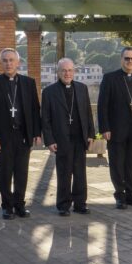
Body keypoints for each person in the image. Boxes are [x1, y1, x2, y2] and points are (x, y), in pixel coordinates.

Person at [0, 48, 41, 220]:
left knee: (22, 172)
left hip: (23, 135)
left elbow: (34, 109)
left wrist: (36, 132)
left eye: (11, 60)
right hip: (3, 137)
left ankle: (20, 205)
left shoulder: (28, 83)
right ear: (2, 63)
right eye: (5, 60)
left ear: (18, 63)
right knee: (5, 172)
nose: (8, 63)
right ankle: (7, 207)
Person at [97, 46, 132, 209]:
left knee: (131, 163)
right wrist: (104, 127)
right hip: (115, 129)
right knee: (117, 163)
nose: (130, 61)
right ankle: (120, 195)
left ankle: (131, 194)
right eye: (127, 58)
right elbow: (102, 106)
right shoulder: (110, 78)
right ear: (121, 59)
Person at [42, 58, 95, 216]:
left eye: (70, 70)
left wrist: (91, 134)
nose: (67, 73)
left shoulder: (82, 88)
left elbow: (88, 113)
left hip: (80, 138)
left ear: (74, 72)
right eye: (64, 70)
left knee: (80, 173)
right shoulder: (49, 92)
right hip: (61, 139)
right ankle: (63, 205)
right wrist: (50, 140)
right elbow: (45, 118)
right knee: (64, 173)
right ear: (57, 72)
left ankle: (80, 204)